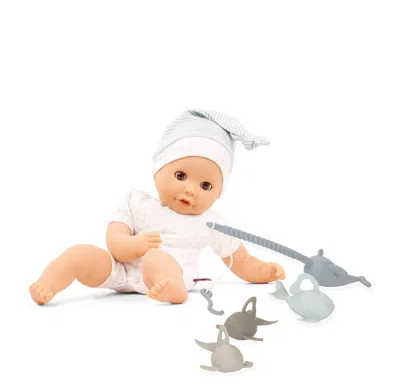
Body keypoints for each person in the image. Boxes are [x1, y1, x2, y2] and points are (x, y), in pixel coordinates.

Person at [29, 109, 286, 305]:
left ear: (219, 193)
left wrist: (262, 271)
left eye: (206, 185)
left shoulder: (211, 223)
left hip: (174, 274)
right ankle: (47, 285)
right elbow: (115, 242)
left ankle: (172, 289)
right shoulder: (136, 202)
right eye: (181, 176)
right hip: (121, 272)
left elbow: (239, 260)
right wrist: (134, 245)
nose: (190, 190)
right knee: (80, 253)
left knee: (156, 258)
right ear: (158, 169)